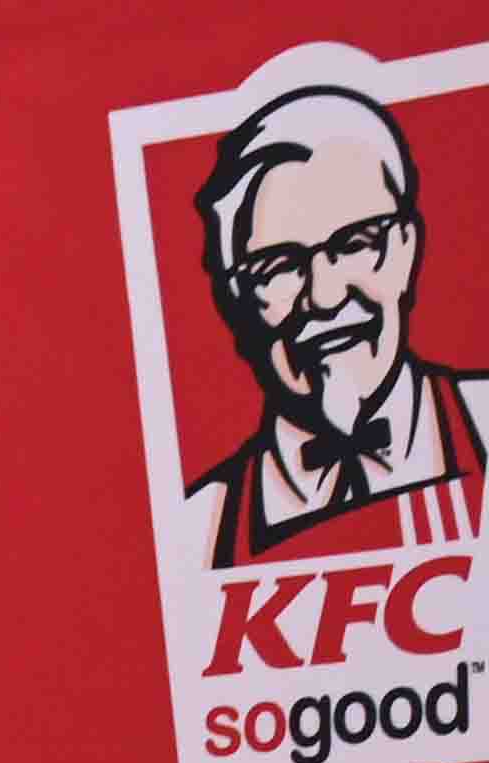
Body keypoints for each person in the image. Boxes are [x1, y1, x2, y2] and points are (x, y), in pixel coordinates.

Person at [188, 83, 478, 565]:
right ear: (235, 301)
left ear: (407, 250)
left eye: (357, 244)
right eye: (278, 266)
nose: (325, 297)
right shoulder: (196, 531)